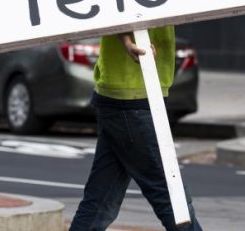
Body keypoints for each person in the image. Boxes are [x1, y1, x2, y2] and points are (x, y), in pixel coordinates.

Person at [70, 26, 201, 231]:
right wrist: (126, 39)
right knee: (173, 200)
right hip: (132, 95)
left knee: (100, 203)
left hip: (129, 93)